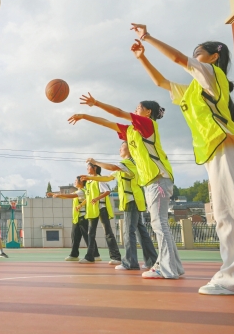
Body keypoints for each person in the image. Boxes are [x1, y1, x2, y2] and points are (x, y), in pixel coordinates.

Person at [129, 23, 234, 294]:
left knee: (227, 213)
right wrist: (142, 57)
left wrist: (148, 38)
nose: (195, 56)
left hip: (224, 146)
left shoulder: (210, 73)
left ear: (214, 57)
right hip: (215, 151)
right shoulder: (192, 90)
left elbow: (176, 59)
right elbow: (161, 82)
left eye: (199, 52)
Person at [68, 95, 184, 279]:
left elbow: (119, 112)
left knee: (159, 225)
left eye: (138, 108)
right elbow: (108, 122)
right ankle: (174, 267)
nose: (135, 110)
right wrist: (84, 116)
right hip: (151, 181)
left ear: (148, 112)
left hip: (158, 178)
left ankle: (166, 268)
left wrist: (96, 103)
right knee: (159, 225)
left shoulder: (147, 124)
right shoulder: (132, 131)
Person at [83, 143, 158, 271]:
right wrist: (90, 177)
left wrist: (95, 162)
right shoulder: (124, 166)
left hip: (131, 200)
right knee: (141, 231)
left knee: (128, 232)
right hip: (134, 200)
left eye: (122, 147)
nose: (119, 149)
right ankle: (152, 261)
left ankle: (130, 262)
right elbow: (108, 177)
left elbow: (112, 167)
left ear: (129, 149)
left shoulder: (128, 162)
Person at [78, 163, 121, 265]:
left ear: (95, 168)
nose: (87, 169)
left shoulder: (99, 179)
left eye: (88, 167)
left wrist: (97, 198)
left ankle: (116, 257)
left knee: (108, 232)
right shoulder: (89, 182)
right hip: (93, 210)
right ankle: (90, 257)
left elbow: (107, 191)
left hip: (101, 208)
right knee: (91, 233)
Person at [48, 176, 100, 261]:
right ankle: (74, 255)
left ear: (81, 182)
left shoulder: (82, 191)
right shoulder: (78, 191)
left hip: (83, 217)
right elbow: (66, 196)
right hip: (77, 218)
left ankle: (95, 254)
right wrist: (55, 195)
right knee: (75, 236)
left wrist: (58, 194)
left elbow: (69, 196)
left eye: (76, 180)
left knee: (87, 236)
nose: (74, 182)